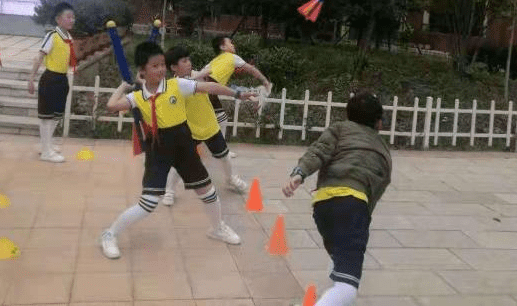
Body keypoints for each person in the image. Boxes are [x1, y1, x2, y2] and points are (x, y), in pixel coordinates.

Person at [99, 42, 257, 260]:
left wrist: (237, 94)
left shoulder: (177, 85)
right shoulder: (139, 97)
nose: (161, 69)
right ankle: (109, 234)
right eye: (155, 66)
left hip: (184, 145)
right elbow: (111, 106)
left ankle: (217, 228)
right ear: (143, 70)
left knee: (208, 192)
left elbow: (209, 87)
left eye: (162, 65)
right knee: (149, 204)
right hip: (158, 150)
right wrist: (124, 86)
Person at [282, 90, 392, 306]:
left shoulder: (339, 129)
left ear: (348, 115)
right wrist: (363, 217)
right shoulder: (383, 150)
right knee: (348, 287)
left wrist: (299, 174)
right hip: (353, 206)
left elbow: (318, 151)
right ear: (379, 123)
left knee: (340, 261)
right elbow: (380, 185)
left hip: (323, 206)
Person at [161, 46, 248, 207]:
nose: (189, 63)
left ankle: (230, 179)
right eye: (184, 61)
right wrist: (201, 75)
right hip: (190, 130)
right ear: (173, 67)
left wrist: (239, 93)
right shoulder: (173, 84)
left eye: (189, 59)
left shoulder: (199, 75)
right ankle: (169, 191)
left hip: (210, 125)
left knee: (224, 156)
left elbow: (214, 86)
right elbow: (186, 85)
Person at [205, 36, 271, 157]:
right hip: (208, 90)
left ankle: (217, 149)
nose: (233, 45)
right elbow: (251, 69)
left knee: (217, 119)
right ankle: (220, 150)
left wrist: (250, 98)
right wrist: (265, 81)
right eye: (230, 43)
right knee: (221, 119)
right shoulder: (232, 57)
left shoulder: (216, 61)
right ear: (222, 47)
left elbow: (228, 87)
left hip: (204, 88)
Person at [28, 2, 76, 163]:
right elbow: (40, 57)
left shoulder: (69, 38)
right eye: (68, 17)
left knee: (56, 116)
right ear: (58, 19)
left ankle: (46, 145)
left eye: (73, 17)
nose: (72, 20)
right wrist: (31, 78)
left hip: (62, 79)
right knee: (46, 117)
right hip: (50, 79)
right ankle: (46, 152)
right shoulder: (52, 36)